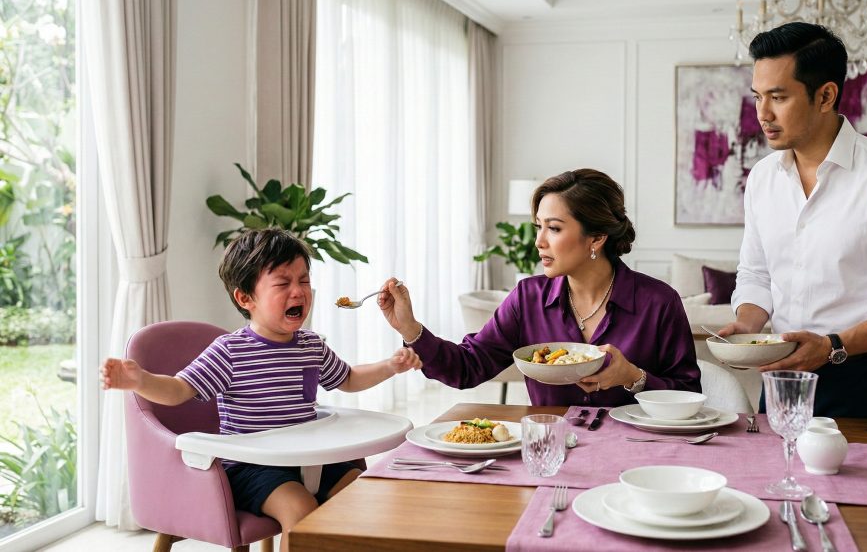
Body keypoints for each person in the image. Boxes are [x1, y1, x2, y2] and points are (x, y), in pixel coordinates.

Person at [100, 228, 421, 550]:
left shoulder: (311, 345)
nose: (299, 292)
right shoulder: (230, 351)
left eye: (304, 280)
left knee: (362, 494)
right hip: (252, 467)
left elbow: (348, 379)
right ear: (245, 298)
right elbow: (179, 390)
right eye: (283, 284)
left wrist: (389, 366)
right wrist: (140, 381)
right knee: (301, 512)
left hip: (310, 457)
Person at [719, 22, 867, 418]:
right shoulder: (761, 179)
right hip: (782, 374)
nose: (762, 114)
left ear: (825, 95)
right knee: (771, 478)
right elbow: (756, 273)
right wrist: (747, 324)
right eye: (757, 96)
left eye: (778, 97)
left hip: (864, 376)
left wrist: (834, 345)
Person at [377, 168, 701, 407]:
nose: (539, 242)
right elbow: (468, 367)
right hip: (550, 451)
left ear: (597, 238)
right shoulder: (527, 299)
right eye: (538, 227)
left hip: (637, 458)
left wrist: (632, 376)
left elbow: (689, 395)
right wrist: (410, 327)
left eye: (554, 228)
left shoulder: (658, 302)